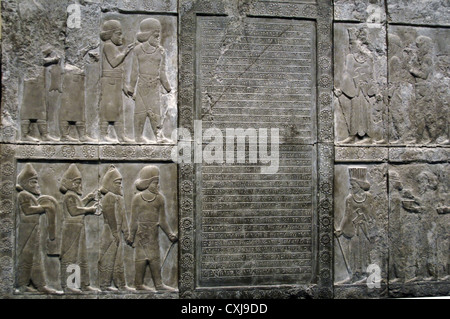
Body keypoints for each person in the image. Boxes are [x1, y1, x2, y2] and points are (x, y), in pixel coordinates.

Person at [127, 165, 177, 291]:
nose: (158, 186)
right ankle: (138, 284)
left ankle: (159, 284)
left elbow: (162, 221)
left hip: (153, 235)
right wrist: (131, 236)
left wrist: (169, 234)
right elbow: (133, 220)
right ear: (147, 182)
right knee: (141, 259)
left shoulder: (160, 199)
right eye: (155, 183)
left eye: (158, 183)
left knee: (155, 259)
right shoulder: (137, 199)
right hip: (141, 235)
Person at [125, 18, 172, 143]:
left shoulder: (161, 52)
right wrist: (131, 87)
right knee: (140, 111)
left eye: (159, 36)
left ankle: (158, 136)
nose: (158, 39)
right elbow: (134, 71)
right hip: (141, 85)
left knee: (155, 112)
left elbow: (162, 72)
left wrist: (168, 87)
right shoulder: (138, 50)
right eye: (156, 36)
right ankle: (138, 136)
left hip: (154, 86)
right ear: (147, 35)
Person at [15, 164, 58, 294]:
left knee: (36, 259)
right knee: (26, 257)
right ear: (25, 183)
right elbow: (27, 210)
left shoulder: (30, 195)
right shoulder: (23, 195)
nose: (37, 185)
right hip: (26, 232)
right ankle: (22, 285)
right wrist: (44, 208)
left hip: (34, 230)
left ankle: (40, 284)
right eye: (34, 182)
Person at [59, 164, 99, 293]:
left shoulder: (74, 196)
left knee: (81, 257)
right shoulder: (69, 196)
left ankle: (83, 284)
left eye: (79, 183)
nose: (78, 185)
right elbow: (75, 210)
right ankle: (71, 285)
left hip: (78, 228)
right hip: (71, 230)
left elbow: (79, 204)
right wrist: (90, 210)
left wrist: (89, 198)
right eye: (76, 183)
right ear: (69, 183)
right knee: (72, 257)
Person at [335, 167, 373, 283]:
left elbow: (371, 214)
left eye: (354, 185)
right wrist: (340, 229)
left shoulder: (369, 197)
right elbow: (346, 216)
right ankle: (354, 275)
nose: (351, 187)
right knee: (354, 250)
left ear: (360, 186)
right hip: (354, 230)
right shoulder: (349, 199)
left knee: (364, 250)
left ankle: (366, 275)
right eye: (351, 185)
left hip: (365, 229)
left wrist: (364, 217)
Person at [98, 165, 133, 291]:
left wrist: (127, 233)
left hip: (116, 232)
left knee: (118, 259)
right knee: (108, 257)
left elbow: (123, 218)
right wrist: (114, 232)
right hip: (110, 232)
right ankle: (104, 284)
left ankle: (121, 284)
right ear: (111, 184)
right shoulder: (109, 197)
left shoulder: (119, 199)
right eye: (118, 183)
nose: (121, 186)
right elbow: (110, 215)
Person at [99, 20, 134, 143]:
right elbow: (114, 62)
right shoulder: (108, 46)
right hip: (109, 82)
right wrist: (125, 52)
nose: (121, 37)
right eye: (118, 34)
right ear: (110, 34)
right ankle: (103, 134)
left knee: (118, 109)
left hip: (115, 82)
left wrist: (124, 85)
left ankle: (120, 136)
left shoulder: (112, 46)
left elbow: (120, 69)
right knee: (108, 108)